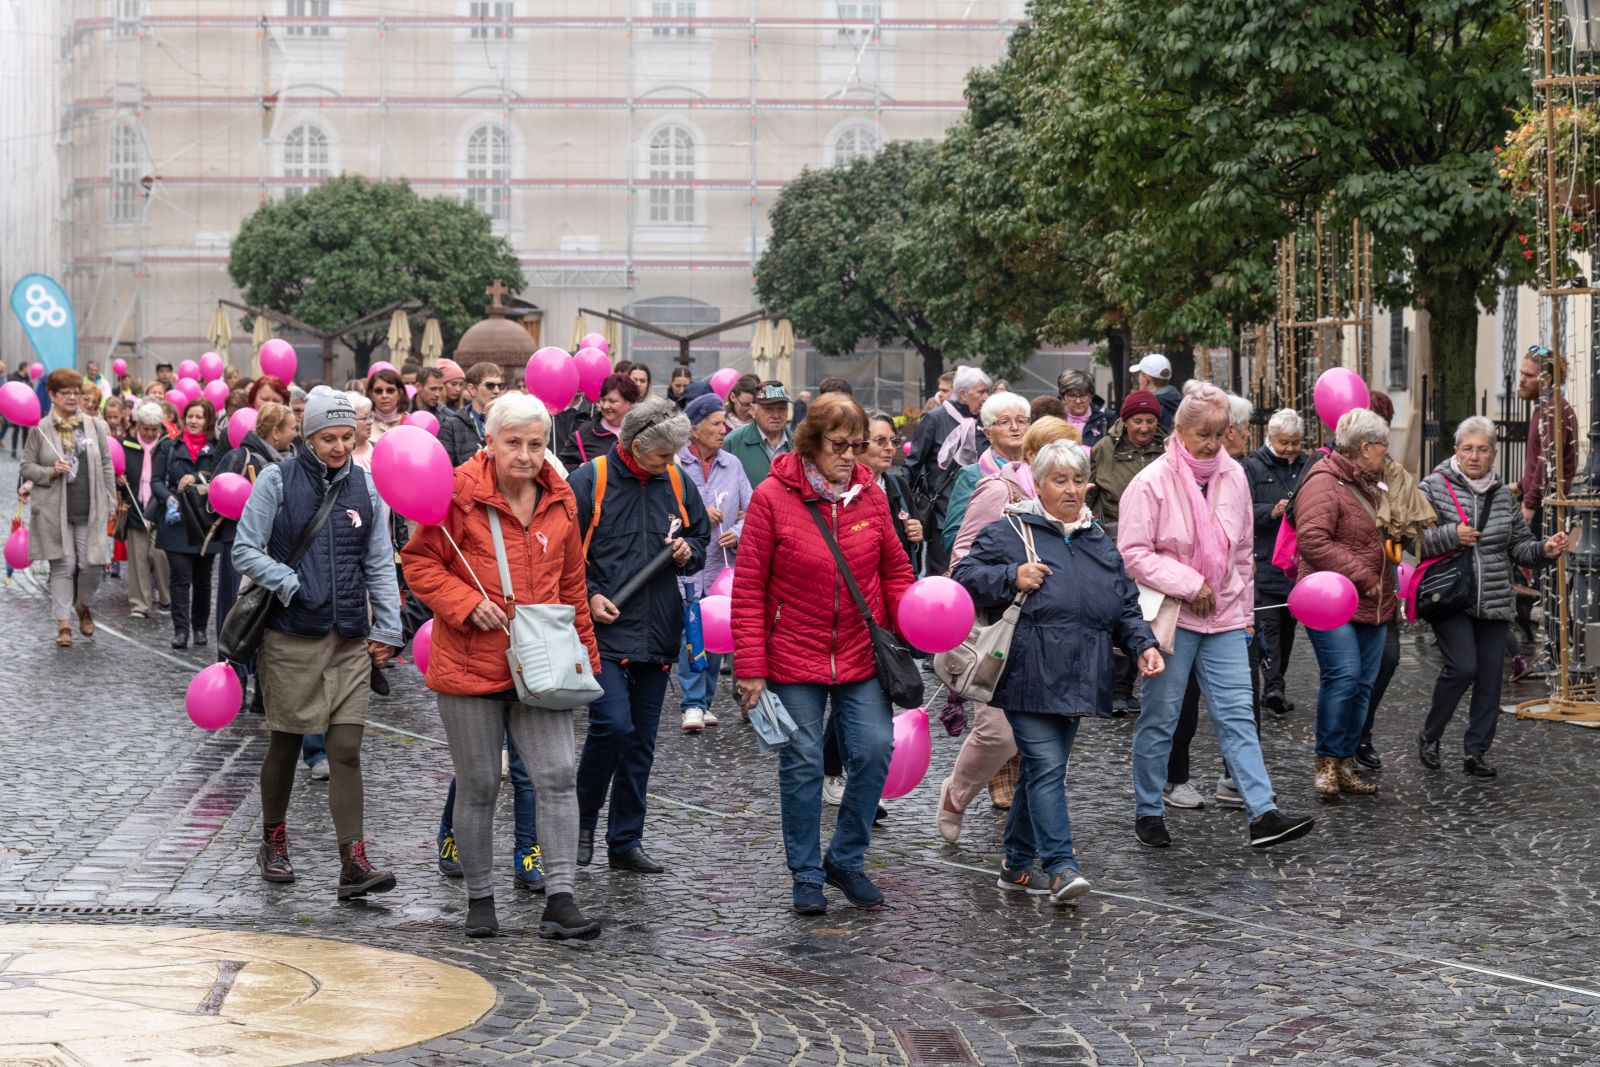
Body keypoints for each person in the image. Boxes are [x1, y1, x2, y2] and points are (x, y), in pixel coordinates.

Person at [400, 392, 603, 940]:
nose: (526, 454)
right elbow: (419, 561)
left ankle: (561, 898)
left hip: (542, 665)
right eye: (514, 442)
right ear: (490, 441)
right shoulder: (457, 493)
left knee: (558, 778)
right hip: (470, 664)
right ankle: (480, 899)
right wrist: (466, 605)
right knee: (480, 784)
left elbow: (572, 586)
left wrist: (586, 657)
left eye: (536, 444)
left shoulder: (561, 499)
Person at [731, 392, 915, 915]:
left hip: (860, 652)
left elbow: (896, 572)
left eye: (857, 445)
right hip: (793, 655)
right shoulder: (772, 497)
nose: (850, 456)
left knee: (876, 749)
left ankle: (846, 859)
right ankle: (807, 872)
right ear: (812, 442)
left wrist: (915, 621)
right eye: (839, 445)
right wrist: (750, 670)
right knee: (804, 761)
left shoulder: (872, 497)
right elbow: (748, 590)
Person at [953, 441, 1162, 901]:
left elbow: (1125, 603)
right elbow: (963, 576)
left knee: (1040, 772)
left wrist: (1143, 644)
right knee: (1047, 767)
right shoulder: (1010, 529)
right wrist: (1011, 575)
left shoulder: (1097, 540)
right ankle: (1062, 867)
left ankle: (1014, 862)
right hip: (1027, 672)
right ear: (1039, 484)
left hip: (1081, 674)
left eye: (1077, 480)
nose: (1071, 490)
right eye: (1059, 480)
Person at [1119, 382, 1314, 849]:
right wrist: (1190, 583)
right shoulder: (1151, 482)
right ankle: (1148, 807)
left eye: (1218, 433)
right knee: (1162, 716)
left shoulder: (1233, 476)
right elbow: (1133, 553)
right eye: (1202, 434)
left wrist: (1245, 614)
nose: (1211, 443)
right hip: (1174, 616)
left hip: (1225, 616)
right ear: (1179, 430)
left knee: (1238, 716)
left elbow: (1244, 552)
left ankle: (1263, 813)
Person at [233, 386, 402, 899]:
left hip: (349, 635)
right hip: (290, 636)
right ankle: (274, 839)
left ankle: (353, 861)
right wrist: (287, 581)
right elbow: (244, 548)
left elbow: (378, 562)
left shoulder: (367, 489)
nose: (338, 446)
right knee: (285, 742)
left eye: (347, 437)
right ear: (308, 437)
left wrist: (389, 629)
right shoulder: (276, 480)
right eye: (328, 437)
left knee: (346, 747)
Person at [569, 398, 710, 874]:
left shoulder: (675, 480)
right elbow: (561, 555)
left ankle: (625, 840)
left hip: (657, 629)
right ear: (633, 447)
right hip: (603, 628)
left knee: (641, 743)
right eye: (663, 456)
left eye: (673, 456)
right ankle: (582, 821)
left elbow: (701, 536)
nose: (672, 464)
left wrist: (689, 549)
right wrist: (587, 596)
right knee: (612, 726)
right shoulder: (591, 480)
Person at [937, 415, 1078, 844]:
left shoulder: (1075, 500)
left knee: (1041, 742)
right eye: (1058, 458)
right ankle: (956, 796)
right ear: (1033, 457)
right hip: (1001, 629)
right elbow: (961, 563)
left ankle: (1030, 844)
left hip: (1053, 636)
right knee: (998, 733)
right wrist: (1010, 576)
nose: (1071, 475)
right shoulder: (999, 490)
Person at [1416, 417, 1569, 778]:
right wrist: (1452, 535)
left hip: (1495, 599)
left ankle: (1476, 751)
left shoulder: (1502, 496)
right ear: (1456, 451)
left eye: (1482, 449)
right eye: (1467, 448)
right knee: (1462, 667)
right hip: (1451, 597)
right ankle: (1430, 734)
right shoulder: (1432, 488)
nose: (1474, 456)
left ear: (1494, 455)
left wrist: (1545, 549)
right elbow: (1414, 541)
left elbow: (1519, 547)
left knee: (1489, 678)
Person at [1294, 407, 1393, 797]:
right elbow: (1313, 540)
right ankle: (1327, 762)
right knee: (1344, 676)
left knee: (1364, 683)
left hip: (1373, 599)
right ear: (1365, 447)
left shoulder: (1376, 481)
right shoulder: (1324, 481)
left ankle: (1347, 761)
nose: (1387, 451)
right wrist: (1364, 576)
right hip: (1330, 599)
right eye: (1383, 444)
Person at [674, 393, 753, 731]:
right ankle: (692, 703)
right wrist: (699, 516)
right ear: (694, 429)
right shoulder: (676, 465)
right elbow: (666, 511)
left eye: (724, 423)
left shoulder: (732, 465)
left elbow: (752, 511)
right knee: (692, 632)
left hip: (723, 569)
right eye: (716, 424)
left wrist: (736, 529)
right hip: (688, 565)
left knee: (718, 633)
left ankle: (705, 702)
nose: (724, 429)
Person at [20, 369, 116, 647]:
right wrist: (50, 471)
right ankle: (63, 624)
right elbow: (27, 466)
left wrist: (109, 497)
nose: (72, 397)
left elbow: (107, 463)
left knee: (91, 564)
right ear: (52, 395)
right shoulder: (40, 429)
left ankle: (83, 604)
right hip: (55, 511)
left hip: (90, 507)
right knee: (64, 565)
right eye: (66, 393)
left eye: (75, 392)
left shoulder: (94, 425)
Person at [1086, 389, 1166, 713]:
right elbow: (1091, 492)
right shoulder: (1104, 449)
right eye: (1137, 420)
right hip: (1114, 537)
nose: (1144, 427)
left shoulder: (1167, 449)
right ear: (1125, 420)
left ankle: (1132, 684)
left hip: (1156, 542)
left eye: (1150, 421)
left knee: (1144, 610)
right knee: (1117, 607)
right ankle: (1113, 687)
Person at [213, 402, 297, 702]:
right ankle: (230, 684)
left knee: (269, 621)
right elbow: (214, 498)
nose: (296, 434)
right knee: (241, 616)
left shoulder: (293, 460)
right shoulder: (240, 456)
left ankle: (262, 692)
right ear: (276, 432)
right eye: (292, 428)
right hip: (242, 548)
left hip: (277, 553)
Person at [1515, 346, 1578, 677]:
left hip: (1549, 509)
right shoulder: (1549, 408)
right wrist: (1519, 485)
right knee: (1548, 582)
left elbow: (1546, 465)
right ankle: (1555, 655)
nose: (1520, 380)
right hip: (1544, 502)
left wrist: (1529, 504)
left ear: (1547, 378)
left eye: (1527, 375)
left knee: (1551, 583)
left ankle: (1558, 658)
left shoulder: (1554, 411)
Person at [1243, 409, 1307, 717]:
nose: (1290, 449)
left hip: (1295, 564)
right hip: (1265, 558)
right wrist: (1272, 511)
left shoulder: (1307, 466)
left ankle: (1276, 682)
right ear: (1270, 439)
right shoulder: (1253, 467)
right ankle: (1273, 687)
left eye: (1295, 442)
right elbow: (1244, 509)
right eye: (1284, 442)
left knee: (1288, 626)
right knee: (1269, 626)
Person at [905, 365, 991, 577]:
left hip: (979, 515)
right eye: (981, 392)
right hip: (942, 519)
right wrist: (904, 508)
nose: (986, 397)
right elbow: (913, 465)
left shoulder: (986, 423)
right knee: (942, 577)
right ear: (963, 394)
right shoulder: (935, 418)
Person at [151, 397, 223, 649]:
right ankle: (181, 631)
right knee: (180, 579)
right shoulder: (169, 446)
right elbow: (156, 481)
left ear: (208, 420)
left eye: (199, 417)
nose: (194, 421)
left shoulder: (218, 449)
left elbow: (223, 477)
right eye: (190, 416)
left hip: (205, 523)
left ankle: (200, 628)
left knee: (203, 580)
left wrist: (198, 477)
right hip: (176, 521)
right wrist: (169, 497)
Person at [941, 391, 1032, 556]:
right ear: (988, 433)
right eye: (1004, 422)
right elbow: (951, 537)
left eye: (1021, 420)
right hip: (991, 566)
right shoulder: (972, 475)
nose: (1015, 427)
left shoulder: (1040, 471)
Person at [120, 400, 173, 618]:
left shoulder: (166, 445)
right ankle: (140, 604)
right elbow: (116, 468)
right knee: (138, 557)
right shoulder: (126, 444)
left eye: (154, 429)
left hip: (159, 507)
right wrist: (118, 480)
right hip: (135, 506)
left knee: (160, 553)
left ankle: (166, 598)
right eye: (145, 429)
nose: (150, 434)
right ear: (137, 425)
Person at [723, 380, 794, 490]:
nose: (776, 415)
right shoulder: (731, 443)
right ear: (752, 410)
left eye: (781, 409)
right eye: (768, 409)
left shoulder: (800, 444)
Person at [564, 372, 638, 468]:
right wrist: (584, 470)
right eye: (603, 400)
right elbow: (563, 465)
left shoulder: (642, 431)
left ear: (630, 402)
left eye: (612, 401)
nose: (605, 406)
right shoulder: (584, 433)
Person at [439, 361, 504, 467]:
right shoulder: (451, 425)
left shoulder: (507, 422)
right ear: (472, 389)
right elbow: (444, 468)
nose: (497, 391)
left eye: (500, 386)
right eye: (490, 385)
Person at [1057, 370, 1110, 448]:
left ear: (1091, 397)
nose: (1078, 401)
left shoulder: (1106, 418)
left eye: (1083, 395)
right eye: (1072, 396)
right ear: (1063, 397)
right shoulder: (1053, 419)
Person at [1129, 353, 1181, 429]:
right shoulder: (1181, 402)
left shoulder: (1149, 407)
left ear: (1146, 379)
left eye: (1139, 375)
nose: (1138, 379)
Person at [367, 368, 407, 442]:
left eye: (390, 391)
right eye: (378, 391)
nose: (384, 396)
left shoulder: (410, 422)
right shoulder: (363, 424)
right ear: (371, 395)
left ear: (400, 394)